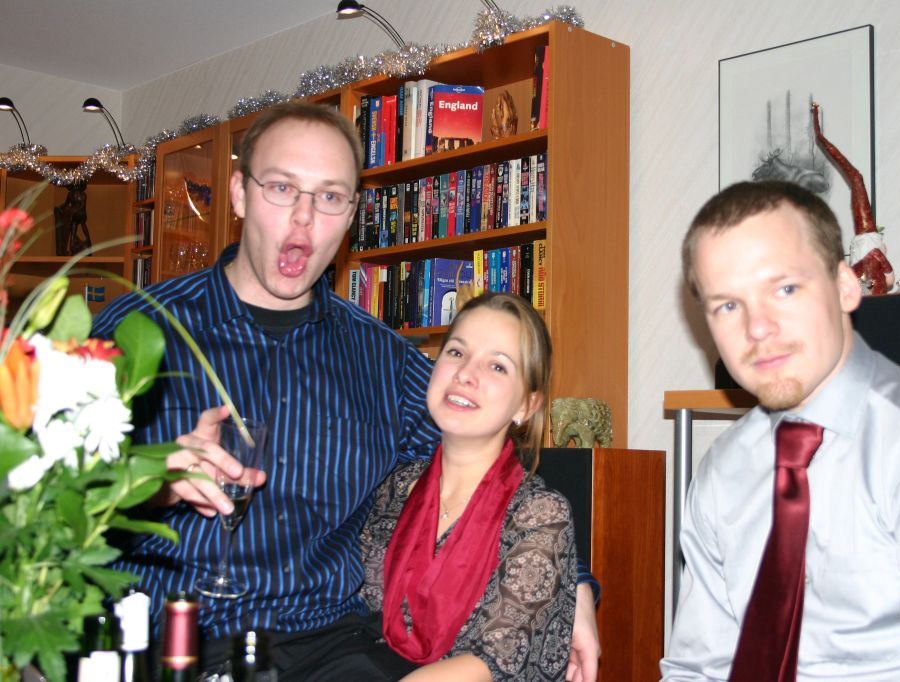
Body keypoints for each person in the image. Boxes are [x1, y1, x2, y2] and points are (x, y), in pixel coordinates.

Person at [91, 101, 599, 680]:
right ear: (239, 194)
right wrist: (148, 484)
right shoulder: (136, 331)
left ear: (352, 212)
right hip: (170, 638)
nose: (303, 219)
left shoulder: (383, 360)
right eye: (282, 188)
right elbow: (41, 503)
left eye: (329, 197)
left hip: (327, 645)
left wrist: (574, 587)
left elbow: (486, 476)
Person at [660, 180, 900, 680]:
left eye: (785, 289)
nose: (757, 327)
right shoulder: (724, 468)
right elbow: (697, 669)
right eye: (727, 305)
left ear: (846, 287)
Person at [354, 291, 576, 681]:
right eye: (457, 352)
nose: (465, 374)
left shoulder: (539, 514)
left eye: (497, 366)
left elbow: (491, 661)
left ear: (526, 405)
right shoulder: (396, 486)